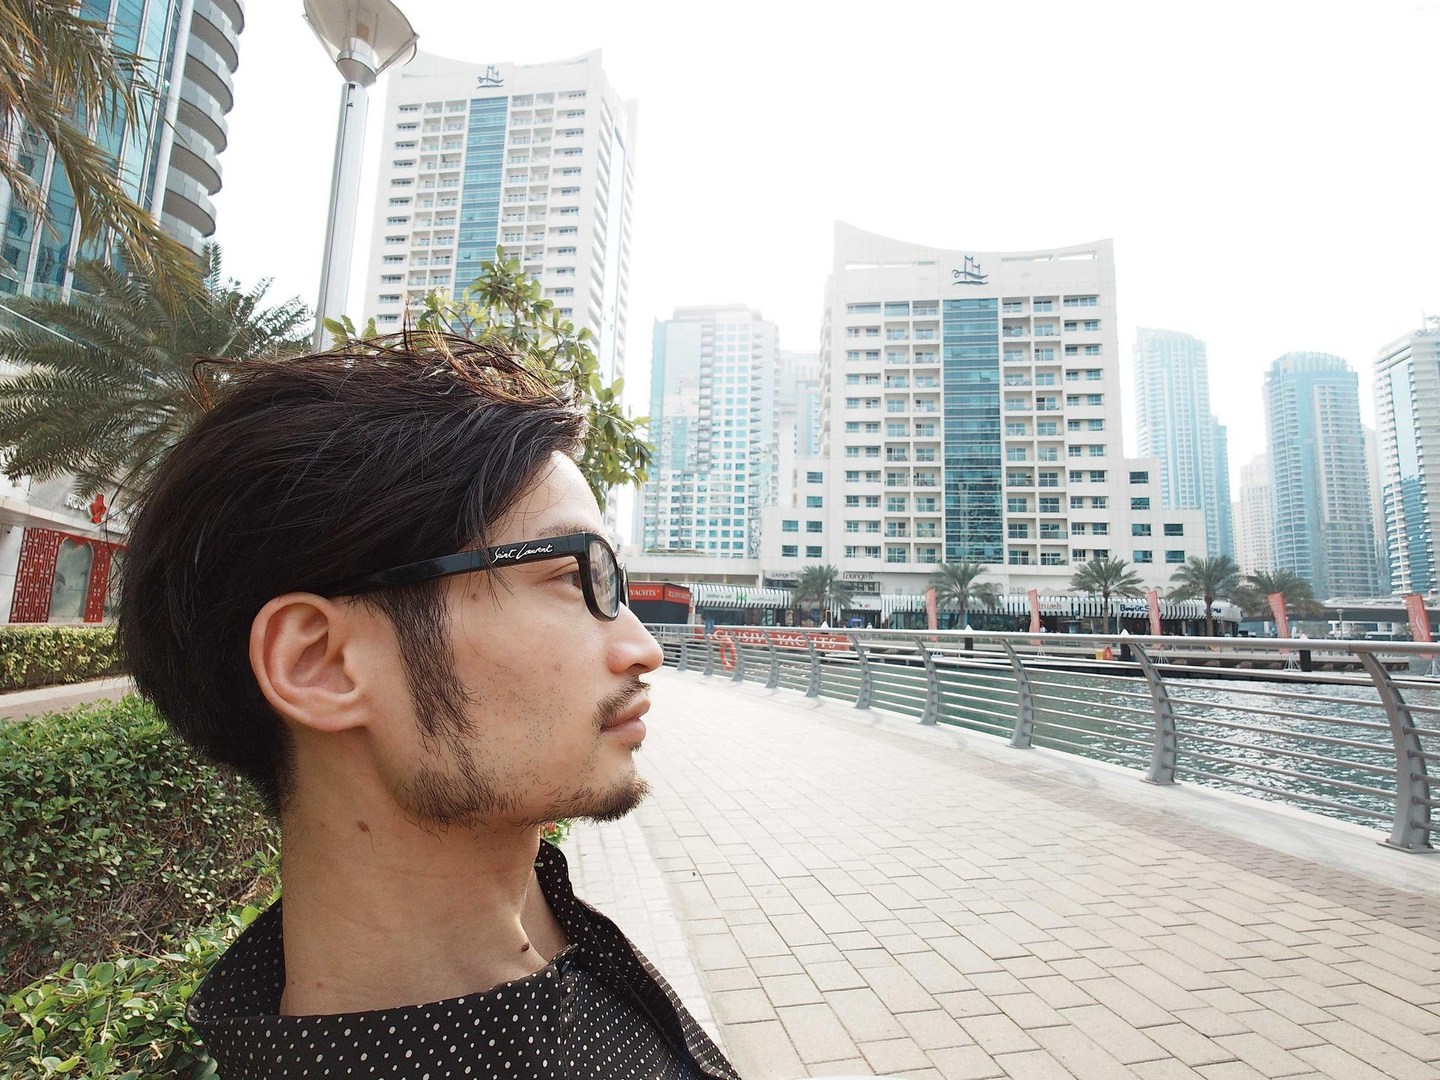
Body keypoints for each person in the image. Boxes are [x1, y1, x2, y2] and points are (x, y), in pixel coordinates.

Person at [117, 333, 740, 1080]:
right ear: (321, 664)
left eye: (611, 582)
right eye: (571, 577)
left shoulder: (551, 923)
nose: (644, 648)